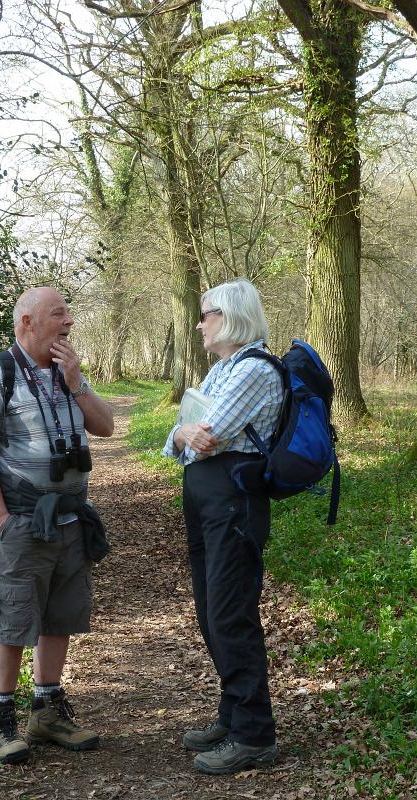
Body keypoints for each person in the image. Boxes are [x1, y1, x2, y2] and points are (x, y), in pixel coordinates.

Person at [0, 286, 114, 764]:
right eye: (59, 314)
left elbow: (106, 426)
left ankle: (47, 711)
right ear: (27, 321)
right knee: (13, 618)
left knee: (60, 615)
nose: (68, 322)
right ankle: (1, 716)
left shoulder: (69, 374)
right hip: (23, 522)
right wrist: (1, 520)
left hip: (72, 518)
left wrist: (77, 383)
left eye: (68, 314)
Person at [163, 278, 284, 776]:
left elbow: (204, 436)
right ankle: (233, 716)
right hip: (209, 501)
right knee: (212, 612)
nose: (199, 323)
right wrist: (182, 432)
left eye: (205, 313)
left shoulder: (253, 371)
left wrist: (187, 433)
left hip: (233, 504)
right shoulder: (223, 369)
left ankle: (255, 734)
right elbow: (179, 436)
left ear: (230, 317)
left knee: (230, 615)